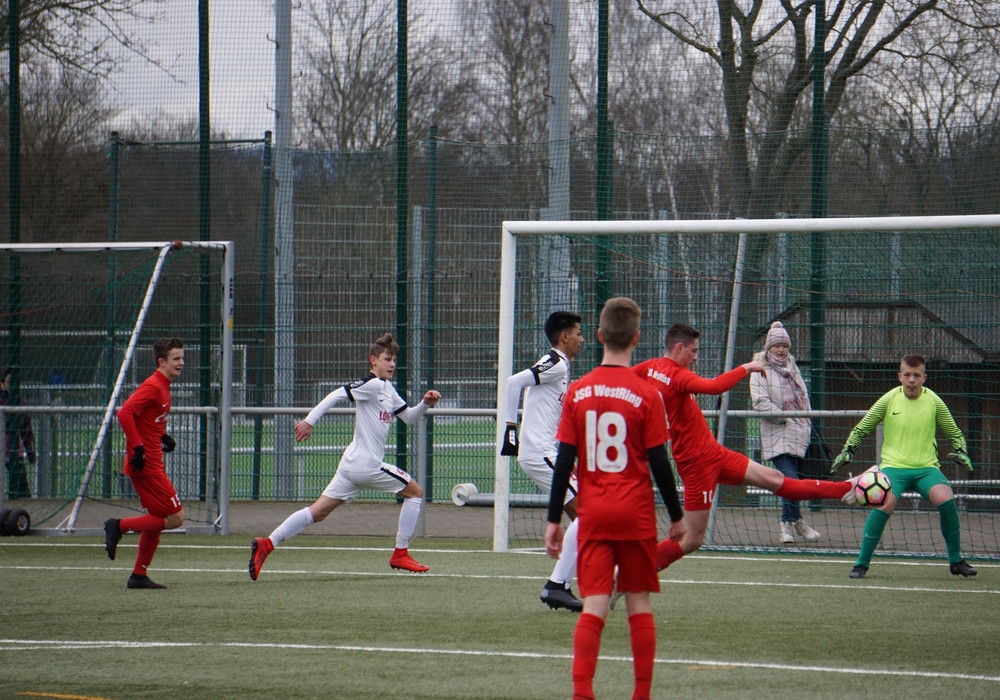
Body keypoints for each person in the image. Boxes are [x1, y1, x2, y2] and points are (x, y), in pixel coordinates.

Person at [633, 323, 870, 572]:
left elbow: (623, 377)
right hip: (697, 464)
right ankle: (634, 571)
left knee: (777, 479)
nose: (696, 357)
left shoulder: (650, 367)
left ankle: (848, 488)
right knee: (692, 539)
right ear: (679, 348)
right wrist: (746, 368)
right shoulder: (678, 376)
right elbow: (715, 387)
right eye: (694, 351)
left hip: (714, 454)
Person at [545, 297, 685, 700]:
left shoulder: (578, 392)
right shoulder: (647, 394)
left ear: (599, 336)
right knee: (638, 604)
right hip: (635, 515)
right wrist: (677, 516)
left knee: (594, 606)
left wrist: (553, 520)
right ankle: (641, 694)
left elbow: (564, 461)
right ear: (636, 338)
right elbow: (659, 462)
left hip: (594, 514)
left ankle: (582, 694)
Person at [249, 333, 440, 580]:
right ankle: (400, 553)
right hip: (366, 465)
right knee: (416, 493)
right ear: (373, 360)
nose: (392, 364)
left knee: (317, 513)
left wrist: (425, 403)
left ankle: (267, 544)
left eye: (394, 360)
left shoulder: (387, 389)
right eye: (387, 359)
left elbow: (409, 417)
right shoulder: (372, 385)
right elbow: (336, 394)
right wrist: (309, 421)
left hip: (351, 465)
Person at [832, 354, 977, 579]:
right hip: (893, 468)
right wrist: (848, 450)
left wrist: (961, 451)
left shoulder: (934, 401)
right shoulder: (889, 399)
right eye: (907, 375)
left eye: (916, 375)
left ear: (924, 378)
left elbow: (954, 432)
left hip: (926, 468)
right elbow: (863, 427)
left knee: (947, 500)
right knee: (884, 504)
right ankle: (861, 564)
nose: (911, 380)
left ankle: (956, 561)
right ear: (899, 376)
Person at [501, 310, 585, 612]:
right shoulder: (556, 362)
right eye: (578, 333)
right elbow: (513, 382)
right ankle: (557, 585)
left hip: (547, 452)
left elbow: (551, 416)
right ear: (564, 336)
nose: (582, 339)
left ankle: (566, 583)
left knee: (584, 516)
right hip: (539, 453)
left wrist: (566, 456)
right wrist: (510, 429)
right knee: (588, 513)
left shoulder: (561, 367)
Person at [104, 338, 186, 589]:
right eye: (176, 358)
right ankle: (119, 526)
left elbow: (150, 419)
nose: (181, 362)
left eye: (182, 358)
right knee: (176, 518)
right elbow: (124, 413)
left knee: (158, 518)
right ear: (161, 362)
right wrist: (138, 447)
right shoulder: (153, 385)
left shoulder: (163, 386)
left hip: (151, 462)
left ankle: (138, 575)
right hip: (146, 465)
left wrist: (163, 436)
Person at [749, 321, 822, 544]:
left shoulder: (793, 367)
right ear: (768, 347)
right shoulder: (759, 369)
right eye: (777, 345)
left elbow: (804, 398)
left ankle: (795, 522)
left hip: (799, 432)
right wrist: (784, 416)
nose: (781, 350)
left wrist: (805, 421)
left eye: (785, 346)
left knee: (794, 481)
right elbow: (760, 402)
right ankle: (787, 524)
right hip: (777, 431)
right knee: (789, 479)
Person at [1, 368, 37, 499]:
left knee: (21, 486)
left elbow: (27, 432)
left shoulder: (20, 402)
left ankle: (20, 501)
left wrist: (31, 454)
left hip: (14, 450)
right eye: (9, 382)